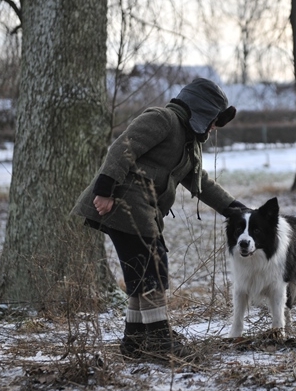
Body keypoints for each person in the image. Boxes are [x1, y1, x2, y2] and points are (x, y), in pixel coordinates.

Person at [72, 78, 247, 360]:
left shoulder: (189, 142)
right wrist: (104, 190)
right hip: (123, 203)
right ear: (201, 110)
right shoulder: (163, 119)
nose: (215, 127)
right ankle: (159, 341)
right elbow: (122, 148)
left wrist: (235, 209)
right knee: (150, 271)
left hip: (143, 211)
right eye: (215, 120)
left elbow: (199, 182)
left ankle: (135, 341)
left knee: (144, 273)